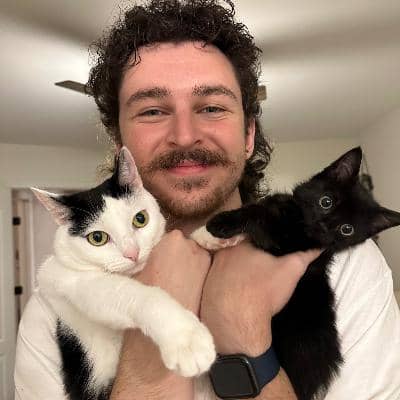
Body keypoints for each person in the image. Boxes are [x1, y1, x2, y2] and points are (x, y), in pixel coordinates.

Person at [14, 1, 400, 399]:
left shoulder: (346, 269)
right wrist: (152, 329)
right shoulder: (58, 305)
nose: (184, 136)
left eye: (212, 107)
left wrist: (244, 332)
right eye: (152, 111)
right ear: (119, 145)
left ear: (248, 135)